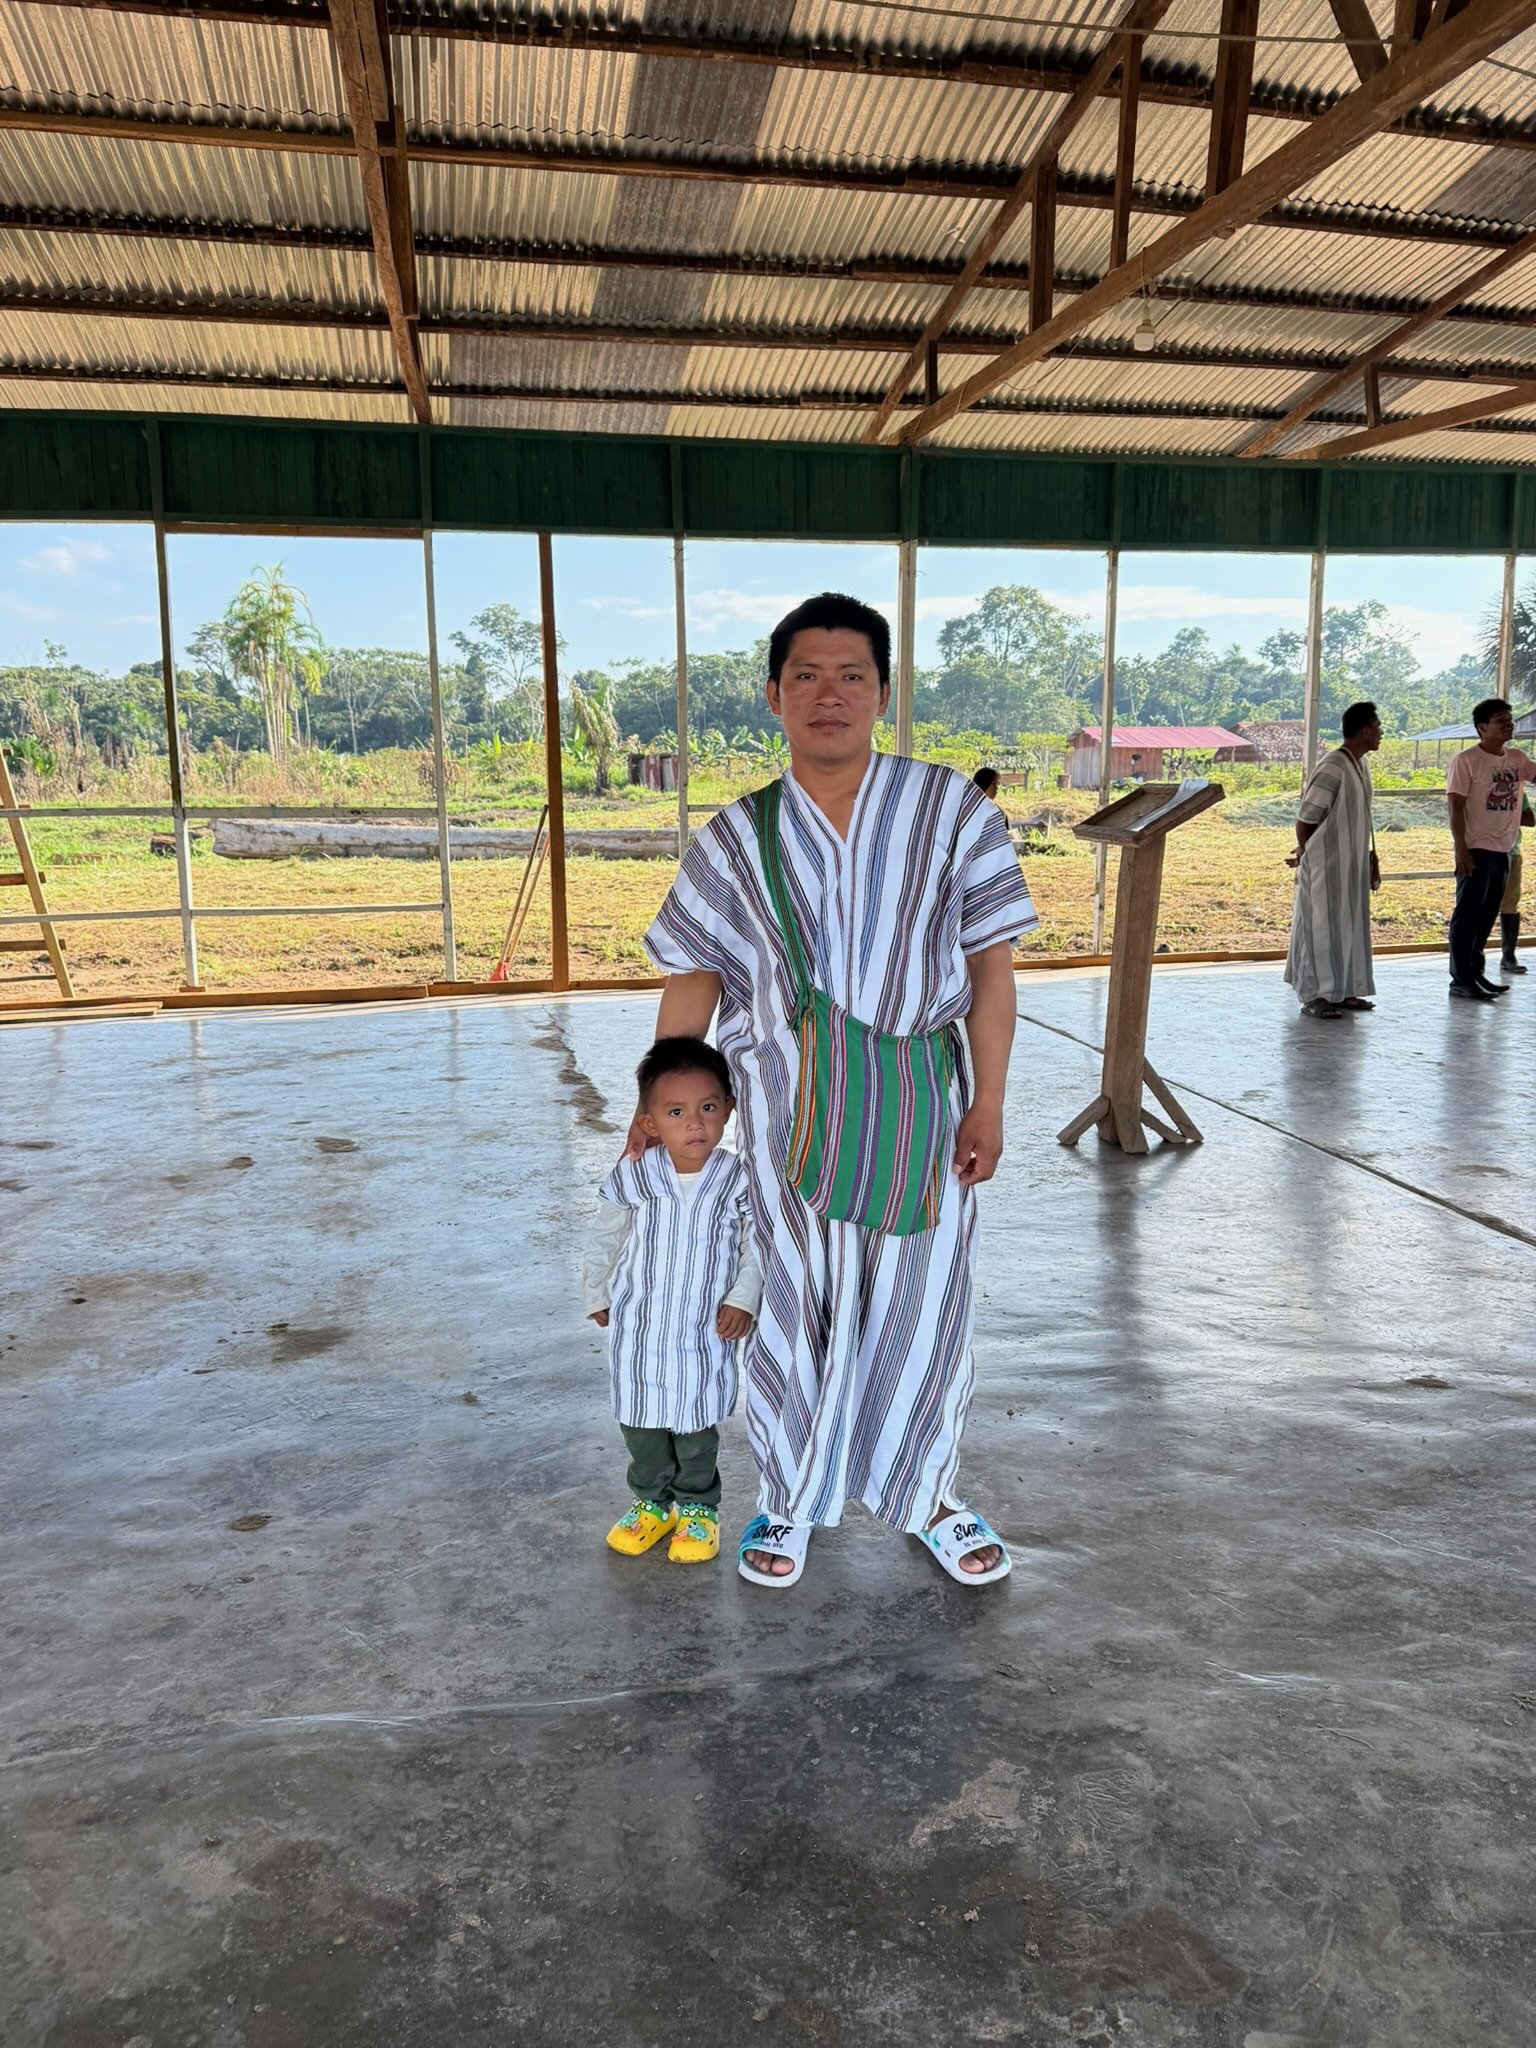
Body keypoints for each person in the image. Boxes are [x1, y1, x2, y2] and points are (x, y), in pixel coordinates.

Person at [630, 591, 1039, 1590]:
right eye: (806, 675)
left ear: (883, 693)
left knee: (927, 1295)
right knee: (794, 1294)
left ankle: (927, 1491)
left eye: (852, 674)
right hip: (782, 1107)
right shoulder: (735, 837)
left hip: (920, 1100)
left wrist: (987, 1101)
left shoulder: (953, 812)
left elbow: (992, 968)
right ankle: (792, 1491)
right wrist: (656, 1111)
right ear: (774, 694)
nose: (829, 694)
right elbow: (695, 977)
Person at [584, 1037, 761, 1565]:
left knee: (693, 1426)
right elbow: (605, 1234)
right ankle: (652, 1504)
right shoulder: (637, 1175)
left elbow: (759, 1245)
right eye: (676, 1112)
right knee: (641, 1422)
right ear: (648, 1122)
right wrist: (595, 1287)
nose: (695, 1124)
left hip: (703, 1331)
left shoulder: (737, 1179)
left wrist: (744, 1298)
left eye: (708, 1108)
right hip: (641, 1328)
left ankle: (698, 1509)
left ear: (729, 1109)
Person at [1284, 701, 1382, 1019]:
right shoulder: (1333, 766)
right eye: (1378, 727)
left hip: (1350, 865)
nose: (1380, 733)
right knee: (1320, 928)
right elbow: (1306, 818)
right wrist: (1308, 853)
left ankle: (1342, 992)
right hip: (1327, 866)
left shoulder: (1360, 765)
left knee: (1348, 927)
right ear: (1365, 730)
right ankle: (1314, 995)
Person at [1446, 698, 1536, 1002]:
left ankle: (1476, 971)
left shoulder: (1517, 758)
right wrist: (1462, 849)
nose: (1509, 724)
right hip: (1476, 848)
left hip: (1504, 849)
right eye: (1501, 720)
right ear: (1482, 728)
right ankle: (1460, 979)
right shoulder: (1467, 760)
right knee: (1467, 914)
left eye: (1509, 719)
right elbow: (1455, 806)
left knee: (1486, 915)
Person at [1497, 796, 1535, 975]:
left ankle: (1509, 956)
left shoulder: (1517, 790)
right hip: (1483, 850)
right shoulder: (1480, 782)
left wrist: (1503, 814)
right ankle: (1472, 957)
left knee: (1510, 903)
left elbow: (1530, 818)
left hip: (1512, 852)